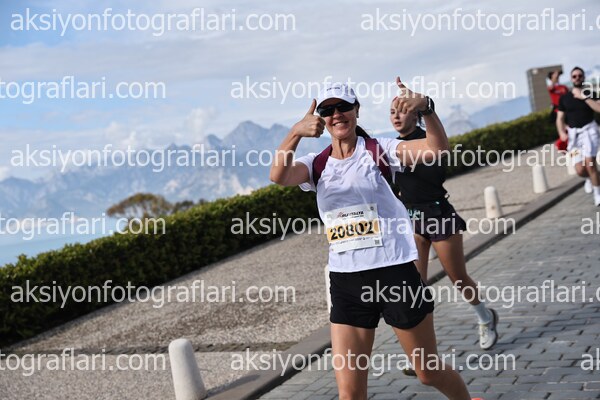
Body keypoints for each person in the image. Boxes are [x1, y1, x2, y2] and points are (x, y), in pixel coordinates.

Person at [270, 80, 473, 399]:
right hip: (346, 282)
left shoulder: (381, 150)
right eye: (328, 110)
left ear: (356, 110)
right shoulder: (316, 165)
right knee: (350, 394)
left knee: (427, 371)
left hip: (395, 275)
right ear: (321, 118)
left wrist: (426, 108)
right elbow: (279, 175)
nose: (336, 114)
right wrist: (295, 133)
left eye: (343, 107)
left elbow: (437, 149)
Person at [388, 107, 499, 351]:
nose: (396, 116)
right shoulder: (392, 147)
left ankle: (485, 317)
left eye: (402, 112)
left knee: (458, 278)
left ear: (415, 115)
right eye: (392, 112)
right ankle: (422, 349)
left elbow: (435, 173)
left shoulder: (430, 140)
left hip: (439, 216)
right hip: (411, 219)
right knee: (415, 287)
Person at [556, 66, 600, 205]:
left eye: (580, 76)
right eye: (574, 76)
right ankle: (590, 178)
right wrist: (561, 132)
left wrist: (584, 97)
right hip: (574, 137)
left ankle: (597, 193)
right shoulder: (564, 98)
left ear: (584, 77)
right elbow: (560, 118)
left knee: (590, 164)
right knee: (580, 170)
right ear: (571, 78)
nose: (577, 78)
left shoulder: (590, 93)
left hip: (589, 133)